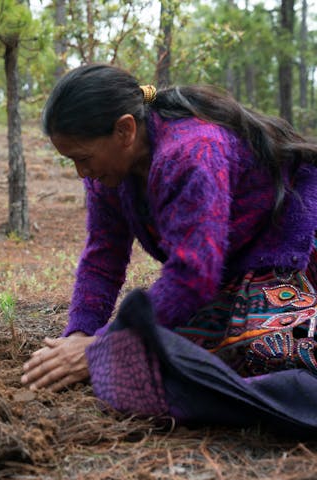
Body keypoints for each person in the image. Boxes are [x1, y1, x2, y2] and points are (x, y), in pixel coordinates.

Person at [21, 63, 317, 435]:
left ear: (124, 130)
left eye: (83, 157)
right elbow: (103, 258)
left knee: (270, 353)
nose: (82, 173)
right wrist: (81, 334)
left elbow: (192, 277)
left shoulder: (192, 152)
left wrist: (100, 345)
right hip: (228, 267)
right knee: (138, 365)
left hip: (286, 244)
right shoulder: (108, 174)